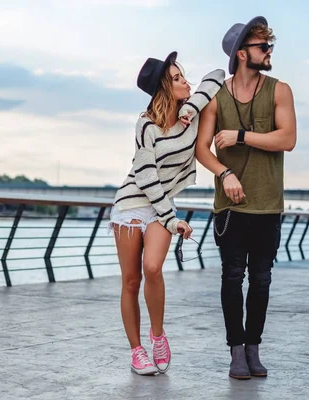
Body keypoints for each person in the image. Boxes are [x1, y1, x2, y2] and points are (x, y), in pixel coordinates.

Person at [110, 51, 224, 375]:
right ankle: (136, 351)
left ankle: (157, 336)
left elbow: (216, 74)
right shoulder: (145, 124)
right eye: (176, 78)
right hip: (133, 203)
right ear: (164, 87)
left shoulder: (193, 116)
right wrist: (171, 219)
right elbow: (145, 176)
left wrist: (191, 105)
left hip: (161, 204)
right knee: (131, 281)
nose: (185, 81)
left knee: (153, 268)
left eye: (182, 75)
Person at [196, 16, 297, 379]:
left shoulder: (279, 90)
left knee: (262, 279)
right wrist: (224, 173)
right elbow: (202, 149)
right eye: (262, 47)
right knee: (231, 278)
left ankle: (254, 349)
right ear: (242, 54)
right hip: (230, 208)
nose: (269, 52)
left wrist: (240, 135)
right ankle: (236, 352)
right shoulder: (216, 97)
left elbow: (287, 139)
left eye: (269, 46)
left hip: (268, 203)